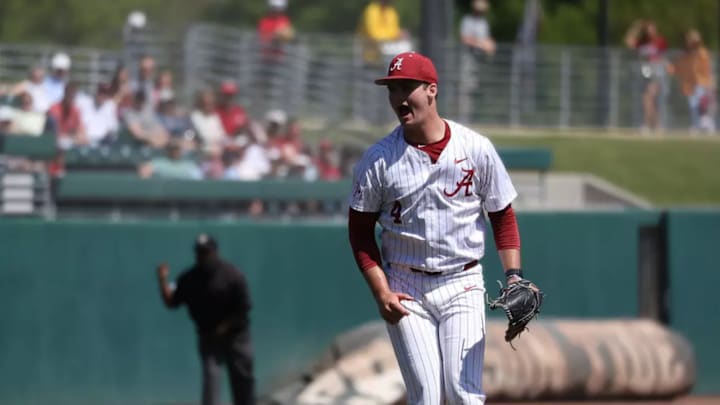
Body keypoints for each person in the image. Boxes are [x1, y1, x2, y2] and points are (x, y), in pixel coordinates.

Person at [347, 51, 536, 404]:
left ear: (431, 90)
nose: (399, 97)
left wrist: (514, 276)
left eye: (407, 87)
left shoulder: (475, 148)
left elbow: (502, 216)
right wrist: (381, 291)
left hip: (462, 282)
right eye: (392, 89)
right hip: (405, 285)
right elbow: (359, 232)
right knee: (428, 398)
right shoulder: (378, 160)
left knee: (465, 395)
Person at [156, 234, 255, 405]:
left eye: (206, 252)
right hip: (209, 337)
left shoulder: (232, 275)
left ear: (215, 252)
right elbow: (171, 301)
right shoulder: (190, 278)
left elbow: (243, 309)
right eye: (200, 252)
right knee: (211, 380)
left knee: (242, 380)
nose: (202, 256)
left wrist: (223, 327)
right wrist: (162, 280)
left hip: (236, 335)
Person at [624, 19, 670, 133]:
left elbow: (662, 56)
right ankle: (656, 125)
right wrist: (636, 27)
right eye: (648, 29)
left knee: (649, 98)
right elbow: (628, 42)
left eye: (652, 29)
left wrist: (666, 66)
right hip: (645, 73)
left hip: (656, 72)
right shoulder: (641, 42)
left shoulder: (659, 41)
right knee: (647, 100)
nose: (650, 31)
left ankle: (647, 124)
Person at [671, 29, 716, 134]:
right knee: (693, 103)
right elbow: (679, 67)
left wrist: (708, 81)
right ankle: (696, 124)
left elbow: (706, 69)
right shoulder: (686, 55)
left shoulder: (702, 53)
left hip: (702, 82)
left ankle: (706, 122)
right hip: (690, 84)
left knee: (701, 101)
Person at [357, 0, 410, 67]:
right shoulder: (371, 10)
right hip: (371, 58)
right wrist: (394, 35)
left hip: (387, 55)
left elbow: (393, 30)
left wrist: (399, 33)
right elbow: (373, 33)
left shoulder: (391, 11)